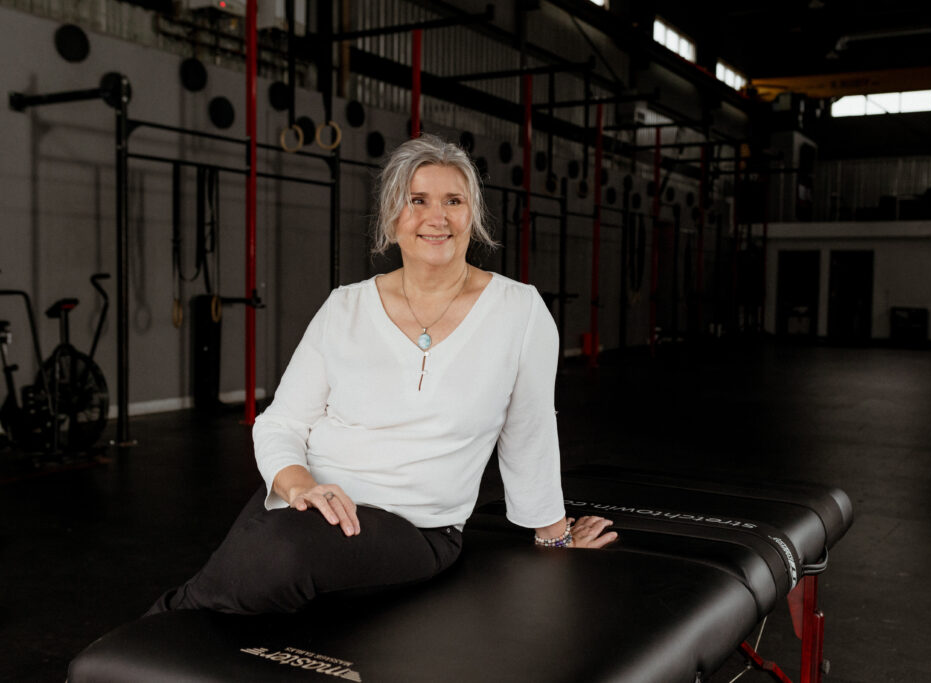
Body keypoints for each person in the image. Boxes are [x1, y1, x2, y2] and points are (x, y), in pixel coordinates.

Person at [146, 133, 616, 616]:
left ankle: (160, 626)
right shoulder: (344, 306)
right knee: (263, 547)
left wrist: (555, 536)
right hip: (308, 504)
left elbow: (530, 432)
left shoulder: (520, 311)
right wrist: (298, 486)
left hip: (413, 529)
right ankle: (152, 641)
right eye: (418, 201)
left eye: (453, 201)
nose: (437, 217)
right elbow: (281, 423)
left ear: (472, 216)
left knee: (275, 553)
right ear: (392, 219)